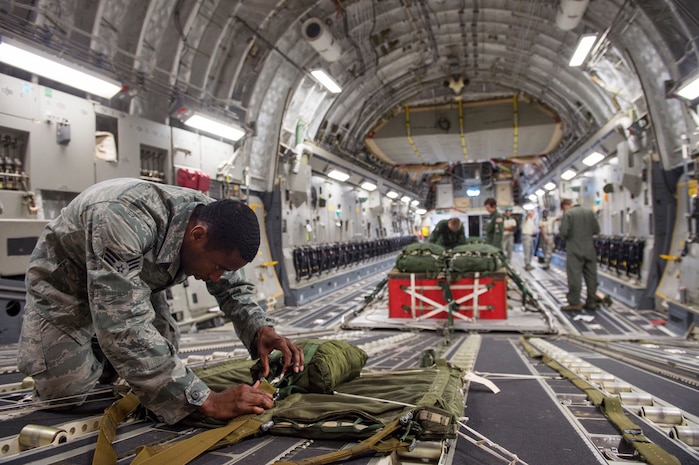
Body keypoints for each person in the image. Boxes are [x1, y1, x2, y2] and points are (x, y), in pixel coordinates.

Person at [17, 178, 304, 425]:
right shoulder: (123, 218)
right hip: (65, 287)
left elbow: (233, 289)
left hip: (135, 283)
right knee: (67, 392)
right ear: (197, 235)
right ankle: (84, 350)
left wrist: (260, 330)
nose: (217, 277)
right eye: (217, 266)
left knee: (162, 350)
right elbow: (123, 324)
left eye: (224, 270)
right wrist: (207, 401)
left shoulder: (215, 223)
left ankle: (101, 354)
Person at [559, 198, 601, 311]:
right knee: (591, 276)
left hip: (574, 249)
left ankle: (574, 302)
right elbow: (596, 230)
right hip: (589, 249)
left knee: (574, 276)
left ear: (565, 206)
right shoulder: (589, 212)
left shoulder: (569, 214)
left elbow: (563, 232)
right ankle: (591, 301)